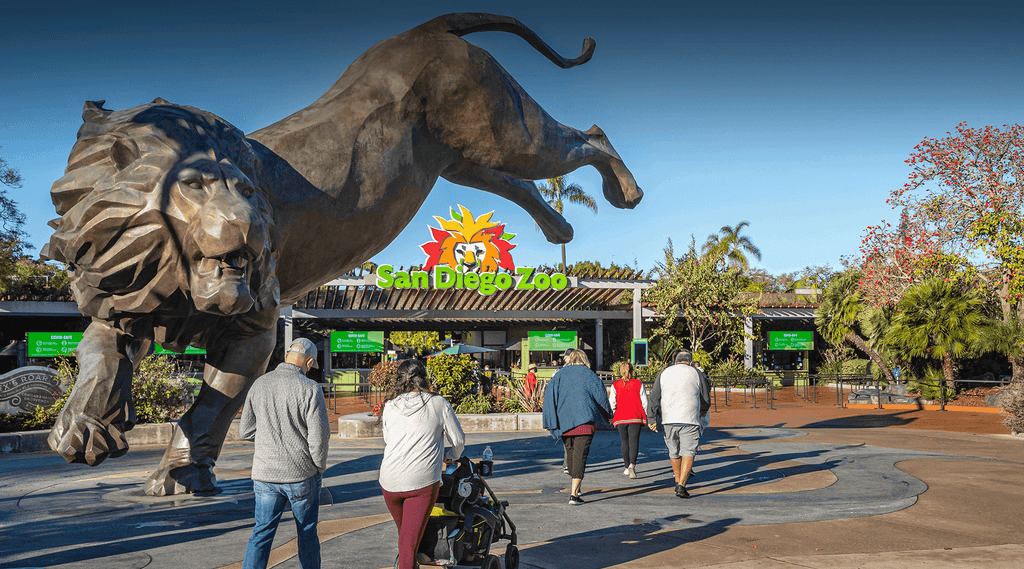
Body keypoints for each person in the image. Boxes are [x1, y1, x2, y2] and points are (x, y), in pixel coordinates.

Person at [241, 337, 330, 569]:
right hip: (300, 474)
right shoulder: (310, 388)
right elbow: (319, 437)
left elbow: (246, 430)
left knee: (261, 533)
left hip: (265, 474)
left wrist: (267, 441)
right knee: (307, 533)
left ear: (286, 356)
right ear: (309, 362)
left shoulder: (259, 384)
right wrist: (319, 467)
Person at [379, 359, 465, 569]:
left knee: (406, 536)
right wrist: (450, 455)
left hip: (389, 482)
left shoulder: (390, 405)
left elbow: (388, 439)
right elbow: (459, 441)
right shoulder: (438, 403)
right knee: (408, 541)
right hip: (421, 483)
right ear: (424, 377)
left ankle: (413, 562)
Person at [542, 349, 611, 506]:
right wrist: (608, 415)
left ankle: (576, 485)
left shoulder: (560, 375)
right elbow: (601, 395)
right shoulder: (589, 375)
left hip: (564, 423)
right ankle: (574, 494)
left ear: (569, 359)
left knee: (572, 454)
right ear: (585, 359)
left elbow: (549, 396)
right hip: (585, 423)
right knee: (580, 456)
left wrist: (549, 421)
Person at [649, 349, 710, 499]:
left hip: (669, 418)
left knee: (674, 451)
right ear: (689, 362)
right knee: (688, 451)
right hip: (689, 418)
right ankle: (681, 485)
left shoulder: (664, 373)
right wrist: (703, 410)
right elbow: (705, 396)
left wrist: (651, 418)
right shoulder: (696, 373)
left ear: (675, 361)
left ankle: (677, 479)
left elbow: (654, 397)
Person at [608, 361, 652, 479]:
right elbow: (644, 401)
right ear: (632, 371)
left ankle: (626, 467)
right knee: (634, 441)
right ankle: (632, 464)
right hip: (635, 416)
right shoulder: (638, 383)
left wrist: (614, 412)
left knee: (624, 441)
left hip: (621, 417)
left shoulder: (615, 385)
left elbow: (612, 402)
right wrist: (647, 415)